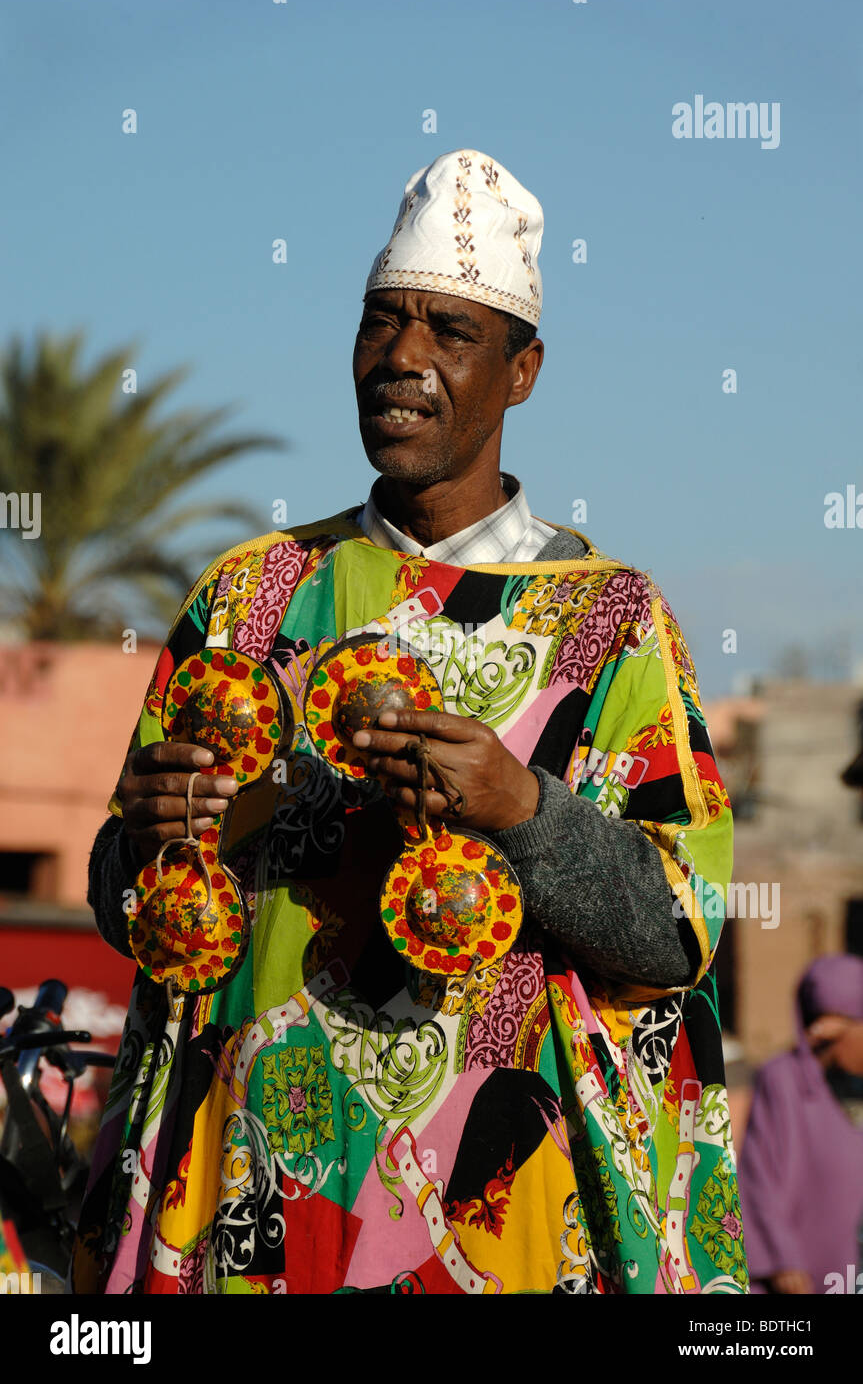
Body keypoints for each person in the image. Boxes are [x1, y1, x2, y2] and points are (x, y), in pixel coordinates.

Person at [73, 149, 744, 1295]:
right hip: (256, 1204)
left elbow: (677, 930)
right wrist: (142, 838)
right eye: (380, 324)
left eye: (449, 331)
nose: (401, 358)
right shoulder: (248, 598)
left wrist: (523, 812)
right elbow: (125, 903)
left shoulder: (611, 620)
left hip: (505, 1229)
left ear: (520, 370)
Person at [738, 958, 863, 1296]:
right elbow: (758, 1176)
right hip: (794, 1276)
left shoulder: (851, 1088)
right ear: (832, 1026)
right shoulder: (782, 1080)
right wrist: (783, 1260)